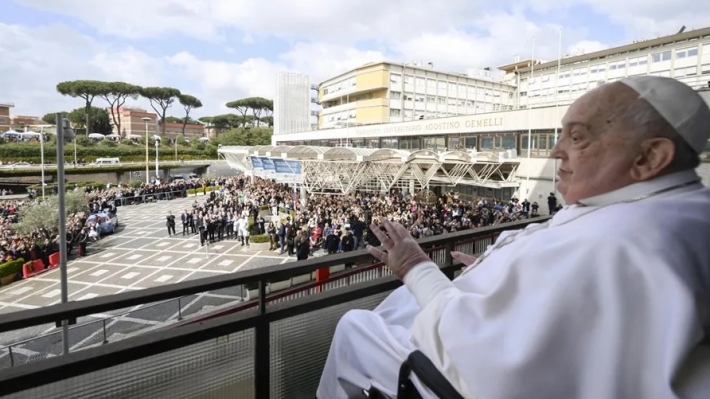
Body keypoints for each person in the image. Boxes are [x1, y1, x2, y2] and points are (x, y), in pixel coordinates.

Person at [316, 76, 710, 399]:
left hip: (458, 376)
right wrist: (499, 273)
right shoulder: (672, 206)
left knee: (355, 326)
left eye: (577, 137)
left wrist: (415, 266)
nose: (555, 151)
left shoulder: (622, 240)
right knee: (403, 302)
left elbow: (492, 363)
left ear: (649, 157)